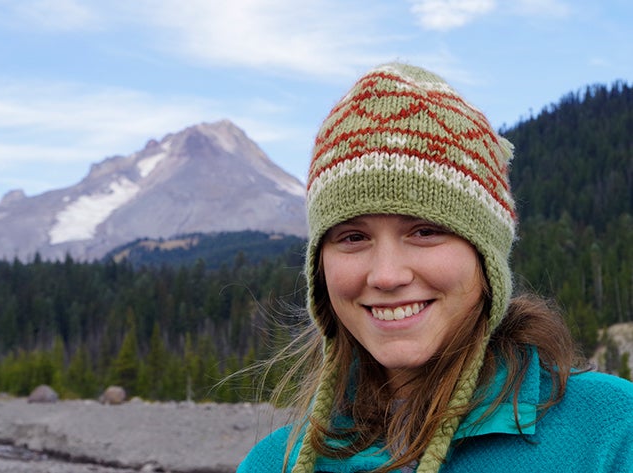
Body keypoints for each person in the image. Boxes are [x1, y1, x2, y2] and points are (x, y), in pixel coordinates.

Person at [237, 62, 633, 473]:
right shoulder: (272, 463)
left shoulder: (612, 431)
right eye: (353, 237)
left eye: (425, 231)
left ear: (486, 257)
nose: (387, 275)